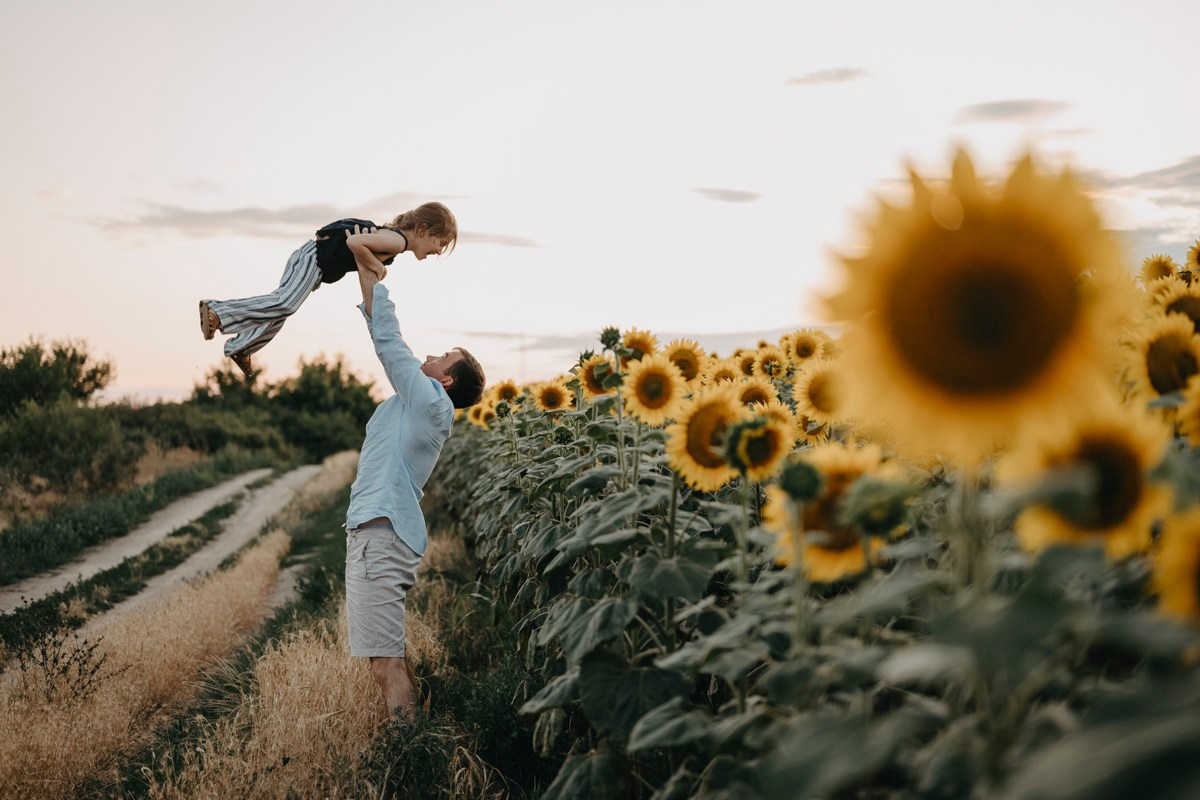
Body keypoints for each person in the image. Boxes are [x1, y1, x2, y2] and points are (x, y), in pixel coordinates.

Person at [343, 261, 485, 724]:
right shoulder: (416, 403)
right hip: (377, 533)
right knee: (384, 657)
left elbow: (390, 345)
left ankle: (413, 752)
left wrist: (380, 287)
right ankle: (412, 739)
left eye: (444, 356)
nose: (432, 355)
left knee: (385, 662)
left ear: (445, 380)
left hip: (381, 537)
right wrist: (366, 276)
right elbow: (380, 333)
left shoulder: (430, 402)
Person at [198, 201, 457, 377]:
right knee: (286, 302)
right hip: (313, 258)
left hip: (313, 261)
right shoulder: (398, 240)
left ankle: (243, 347)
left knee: (280, 311)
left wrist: (374, 266)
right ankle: (218, 312)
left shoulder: (394, 240)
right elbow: (356, 242)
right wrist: (376, 267)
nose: (437, 251)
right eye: (439, 243)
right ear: (423, 230)